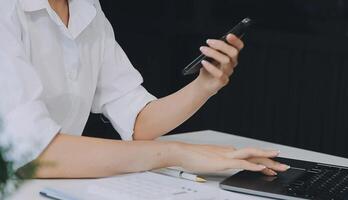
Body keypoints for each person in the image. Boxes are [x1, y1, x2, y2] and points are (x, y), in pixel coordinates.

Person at [0, 0, 289, 178]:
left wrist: (205, 85)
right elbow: (32, 152)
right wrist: (176, 153)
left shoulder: (86, 8)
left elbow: (138, 121)